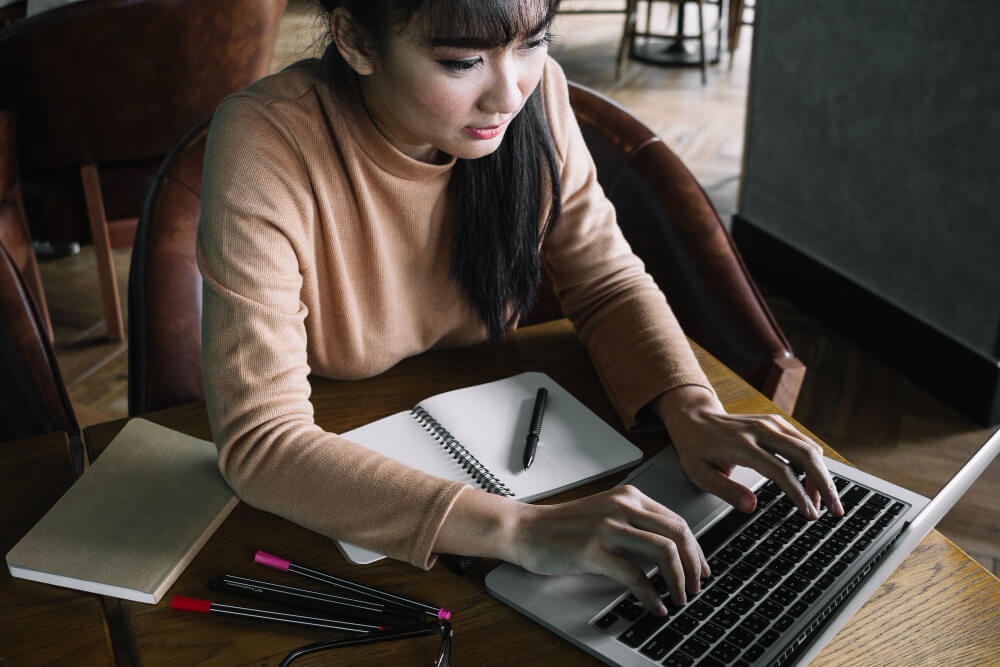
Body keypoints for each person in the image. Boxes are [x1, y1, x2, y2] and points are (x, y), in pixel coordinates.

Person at [198, 0, 843, 617]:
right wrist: (520, 531)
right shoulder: (268, 141)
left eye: (534, 43)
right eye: (461, 62)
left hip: (500, 427)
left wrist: (693, 407)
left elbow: (606, 281)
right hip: (345, 470)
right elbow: (262, 439)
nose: (510, 94)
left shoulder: (540, 98)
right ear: (357, 41)